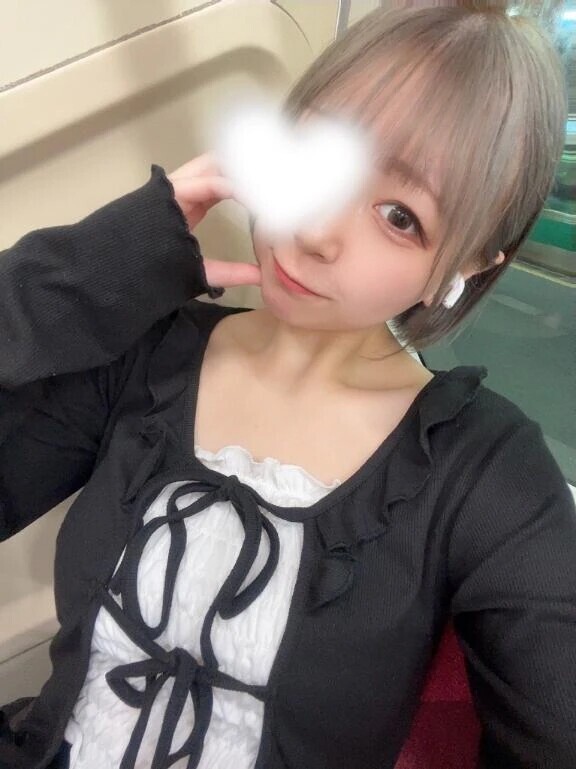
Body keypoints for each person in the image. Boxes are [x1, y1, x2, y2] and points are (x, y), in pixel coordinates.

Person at [1, 1, 575, 768]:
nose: (315, 229)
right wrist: (99, 266)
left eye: (399, 215)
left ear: (471, 262)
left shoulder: (488, 473)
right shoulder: (149, 350)